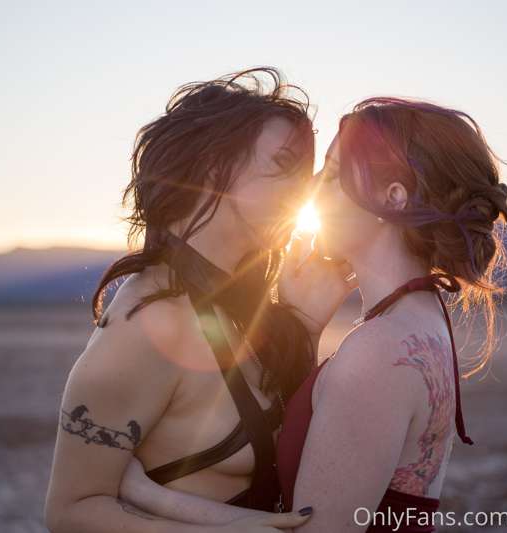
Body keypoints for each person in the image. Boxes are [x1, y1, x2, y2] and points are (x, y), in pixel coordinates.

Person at [118, 96, 507, 532]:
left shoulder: (378, 351)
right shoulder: (421, 318)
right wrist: (305, 326)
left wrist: (145, 493)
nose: (311, 189)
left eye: (333, 175)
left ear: (393, 198)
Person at [44, 67, 356, 533]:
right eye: (282, 164)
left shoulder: (238, 306)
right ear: (213, 168)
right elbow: (70, 511)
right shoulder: (147, 324)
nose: (305, 188)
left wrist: (303, 325)